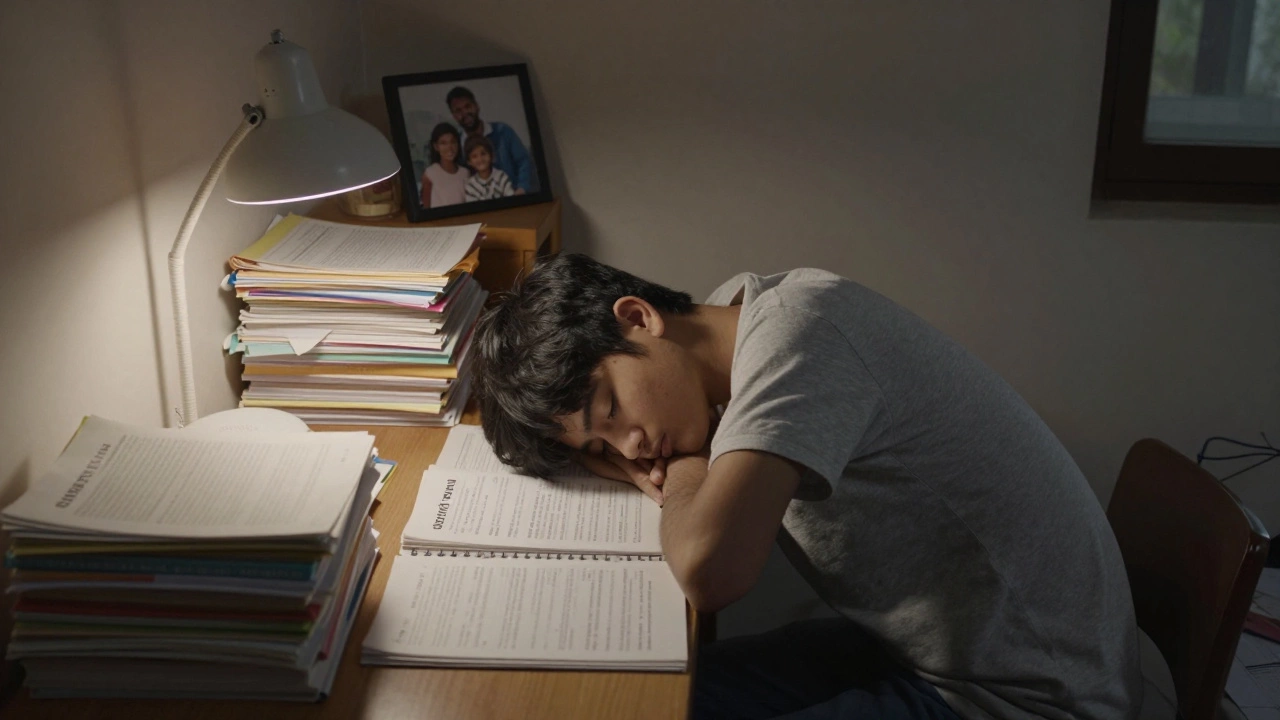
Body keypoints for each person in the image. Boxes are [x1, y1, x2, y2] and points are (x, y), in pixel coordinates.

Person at [472, 253, 1143, 720]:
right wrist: (620, 452)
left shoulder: (800, 340)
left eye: (612, 414)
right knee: (625, 701)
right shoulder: (740, 312)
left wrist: (684, 466)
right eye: (600, 450)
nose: (632, 449)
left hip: (1027, 696)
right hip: (925, 651)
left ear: (638, 317)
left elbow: (712, 571)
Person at [446, 85, 536, 194]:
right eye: (458, 111)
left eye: (468, 106)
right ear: (454, 116)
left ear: (476, 106)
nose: (465, 113)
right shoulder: (457, 146)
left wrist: (521, 189)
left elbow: (523, 161)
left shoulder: (503, 131)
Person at [419, 122, 470, 208]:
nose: (449, 147)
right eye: (443, 143)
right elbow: (426, 208)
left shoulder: (465, 173)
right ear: (436, 147)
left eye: (453, 142)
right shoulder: (430, 173)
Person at [462, 135, 515, 202]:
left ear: (491, 155)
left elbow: (512, 201)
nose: (480, 159)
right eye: (474, 156)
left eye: (483, 154)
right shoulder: (471, 185)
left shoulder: (501, 177)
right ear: (469, 162)